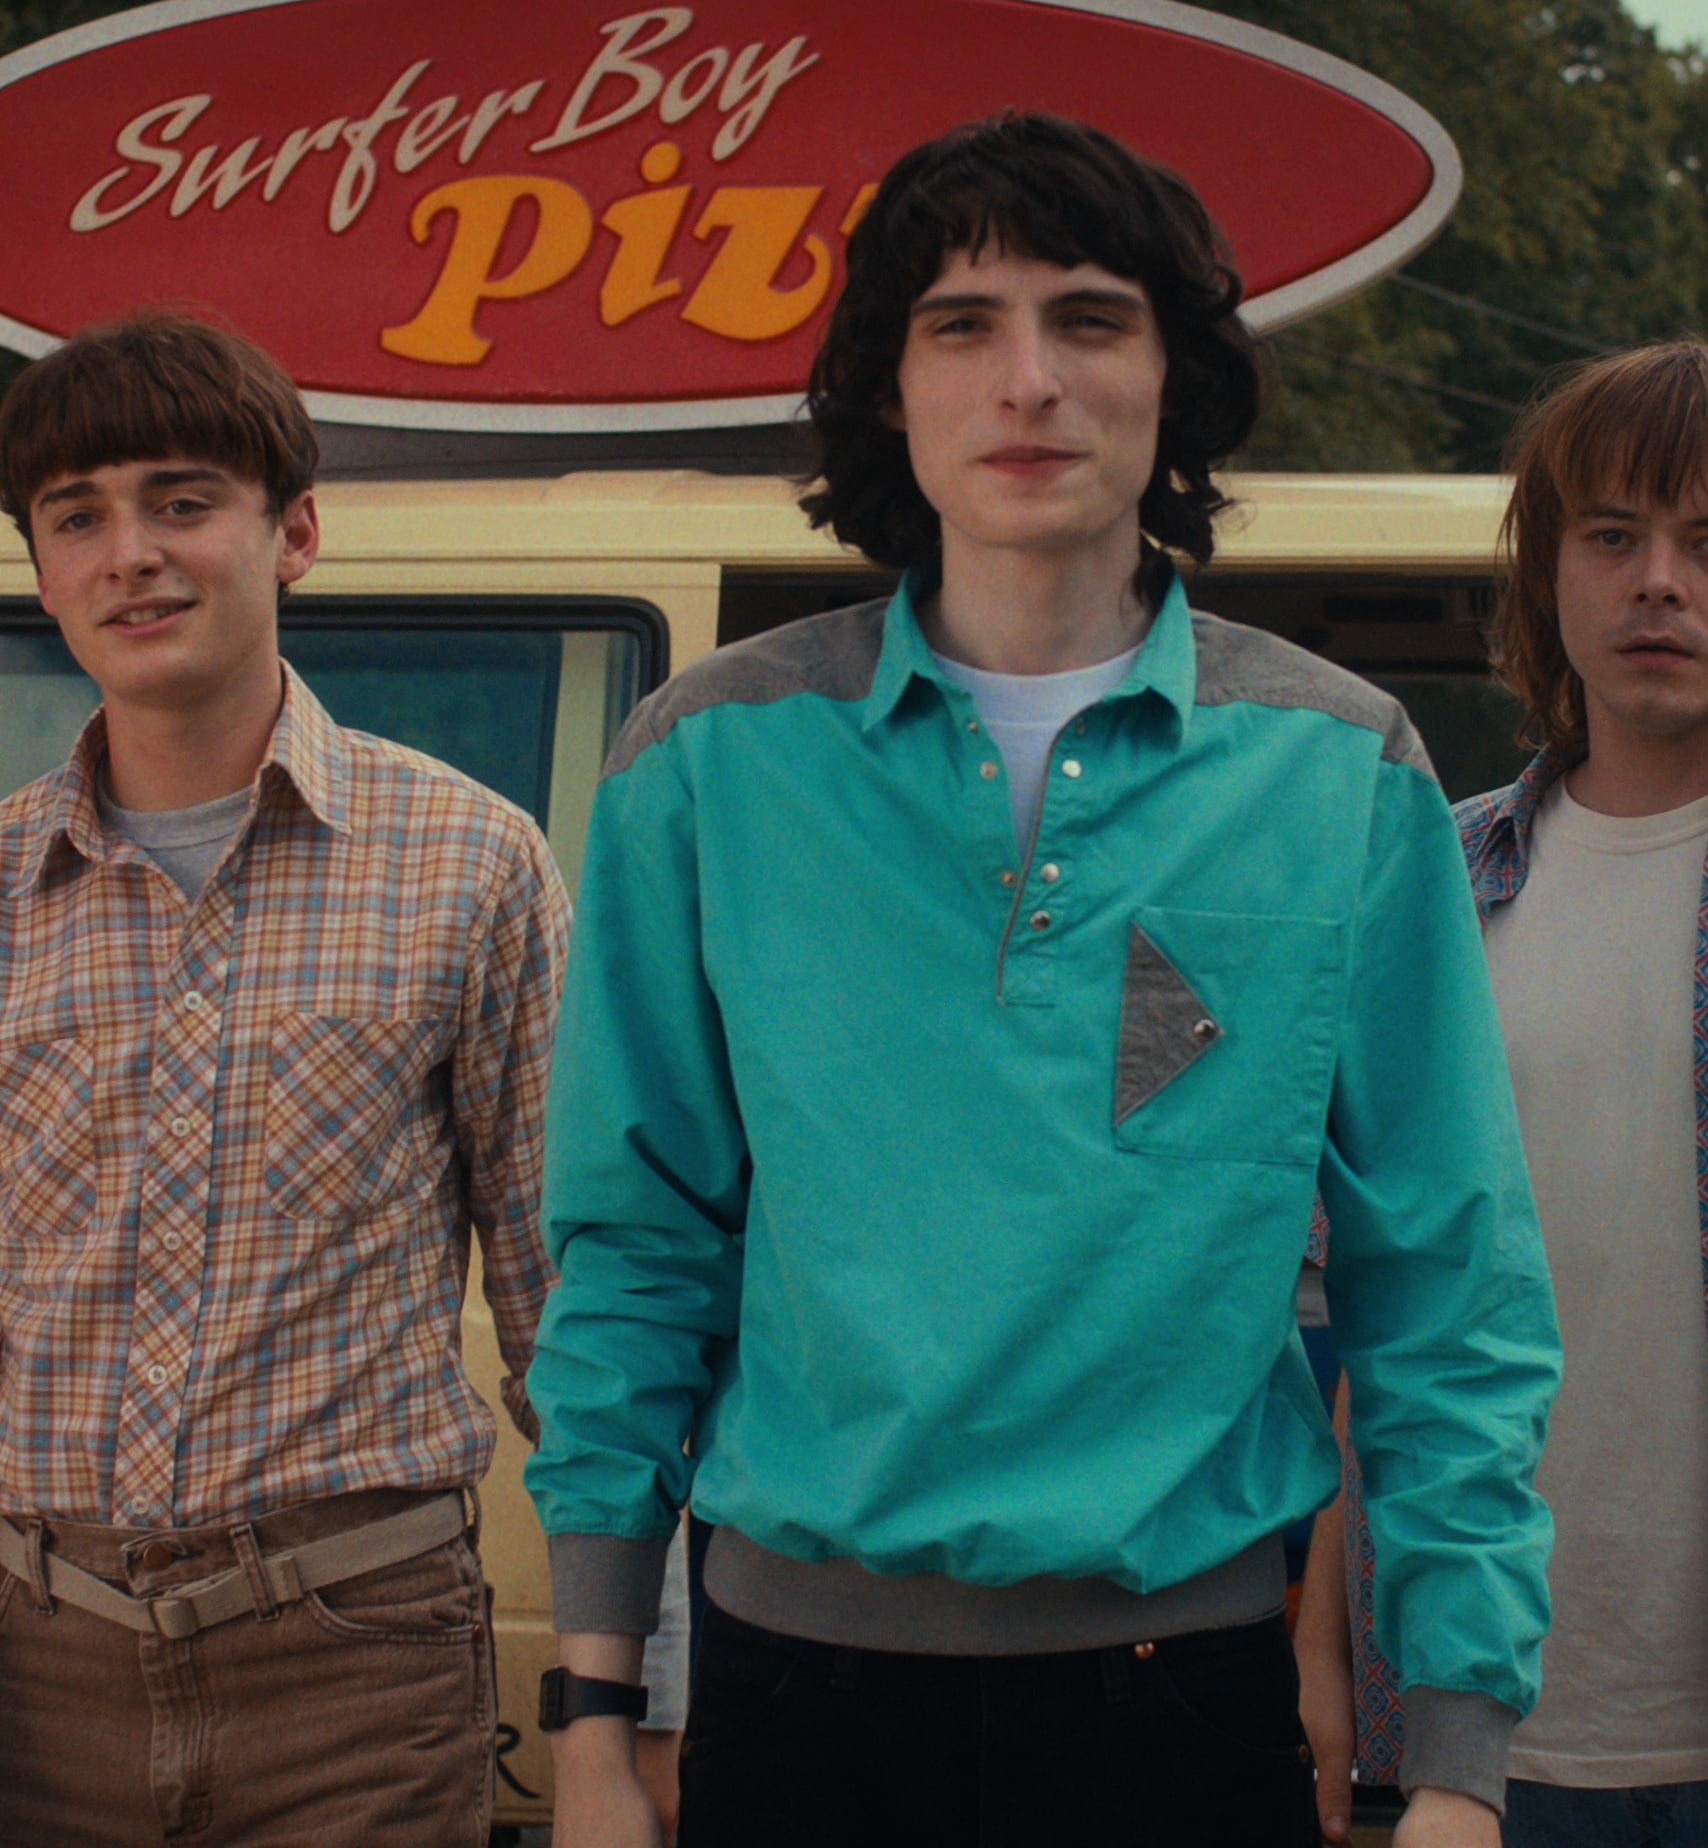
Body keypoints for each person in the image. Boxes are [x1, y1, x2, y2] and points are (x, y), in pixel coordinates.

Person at [525, 111, 1560, 1848]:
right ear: (889, 388)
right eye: (963, 325)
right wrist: (594, 1721)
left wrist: (1458, 1761)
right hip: (796, 1699)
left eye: (1089, 320)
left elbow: (1448, 1283)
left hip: (1185, 1702)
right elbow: (636, 1252)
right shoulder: (707, 763)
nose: (1029, 381)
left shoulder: (1341, 770)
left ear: (1173, 380)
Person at [0, 311, 683, 1845]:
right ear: (42, 569)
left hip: (356, 1668)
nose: (132, 555)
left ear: (294, 532)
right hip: (33, 1673)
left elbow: (578, 1326)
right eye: (78, 517)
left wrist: (624, 1706)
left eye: (183, 502)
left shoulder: (470, 861)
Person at [1297, 341, 1708, 1847]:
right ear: (1549, 568)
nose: (1658, 584)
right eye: (1614, 536)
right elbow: (1366, 1304)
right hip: (1479, 1718)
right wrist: (1313, 1641)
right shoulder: (1423, 891)